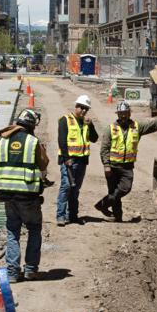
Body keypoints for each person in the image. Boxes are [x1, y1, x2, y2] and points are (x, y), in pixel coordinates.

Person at [0, 108, 48, 282]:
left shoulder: (2, 141)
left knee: (12, 232)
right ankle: (30, 269)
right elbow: (44, 163)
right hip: (28, 196)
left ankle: (13, 273)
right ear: (32, 126)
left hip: (8, 196)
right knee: (34, 228)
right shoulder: (33, 142)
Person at [96, 101, 157, 221]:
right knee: (113, 192)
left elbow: (154, 124)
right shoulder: (110, 129)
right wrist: (106, 165)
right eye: (121, 113)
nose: (123, 116)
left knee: (125, 188)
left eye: (125, 113)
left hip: (127, 167)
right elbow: (104, 149)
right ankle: (117, 217)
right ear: (117, 114)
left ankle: (103, 204)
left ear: (129, 113)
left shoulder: (137, 127)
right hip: (112, 166)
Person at [56, 94, 98, 226]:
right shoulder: (65, 120)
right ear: (76, 106)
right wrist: (66, 158)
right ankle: (61, 216)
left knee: (76, 189)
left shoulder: (86, 123)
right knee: (66, 187)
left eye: (86, 108)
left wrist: (91, 125)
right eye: (81, 107)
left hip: (82, 161)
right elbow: (62, 140)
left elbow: (94, 138)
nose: (84, 110)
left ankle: (73, 215)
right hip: (69, 161)